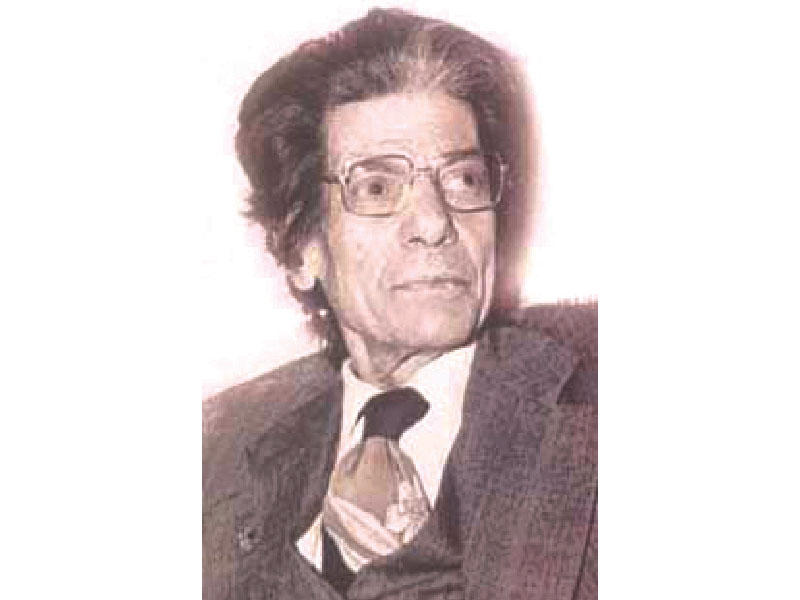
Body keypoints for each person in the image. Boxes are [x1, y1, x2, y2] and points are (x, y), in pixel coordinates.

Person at [203, 8, 597, 600]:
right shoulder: (213, 447)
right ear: (302, 248)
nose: (436, 223)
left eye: (463, 179)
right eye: (378, 187)